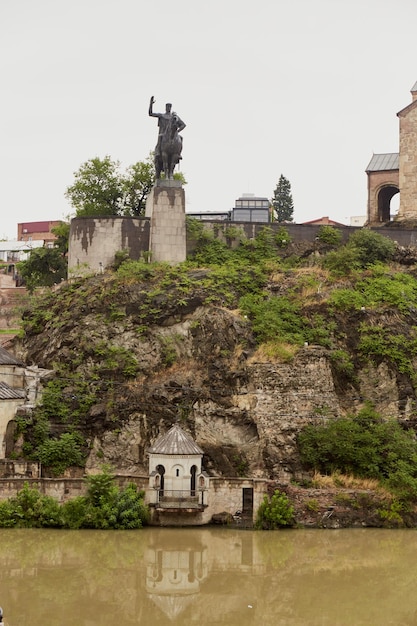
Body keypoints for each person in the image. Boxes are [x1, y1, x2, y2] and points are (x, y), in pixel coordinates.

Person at [148, 96, 186, 165]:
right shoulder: (162, 115)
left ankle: (178, 153)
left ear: (170, 108)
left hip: (172, 134)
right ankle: (158, 152)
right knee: (160, 136)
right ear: (165, 108)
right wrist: (151, 104)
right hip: (163, 133)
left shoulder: (174, 117)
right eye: (167, 107)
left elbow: (183, 125)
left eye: (169, 107)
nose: (168, 108)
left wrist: (177, 132)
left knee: (181, 138)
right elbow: (150, 113)